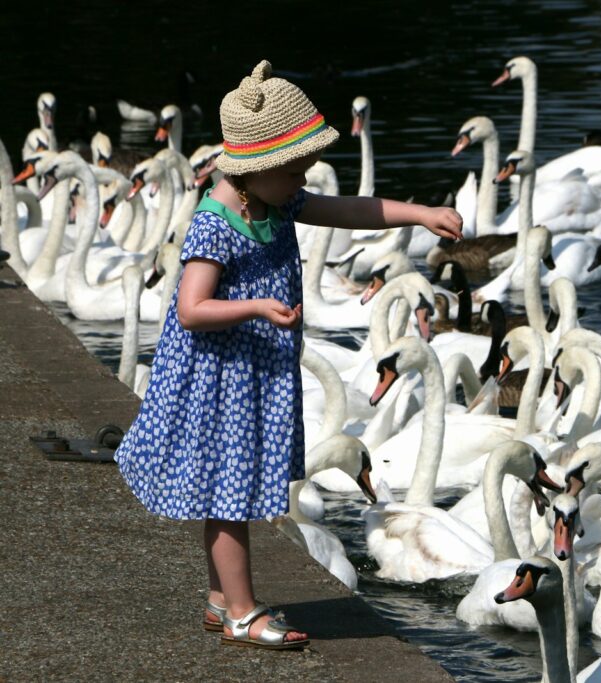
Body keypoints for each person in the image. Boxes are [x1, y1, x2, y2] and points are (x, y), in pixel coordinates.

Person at [114, 60, 462, 650]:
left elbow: (352, 210)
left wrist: (420, 214)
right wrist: (254, 307)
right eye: (295, 170)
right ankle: (243, 614)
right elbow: (192, 307)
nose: (303, 184)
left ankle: (222, 599)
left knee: (225, 491)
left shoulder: (272, 201)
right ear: (256, 169)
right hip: (218, 379)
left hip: (248, 373)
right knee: (228, 495)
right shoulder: (214, 223)